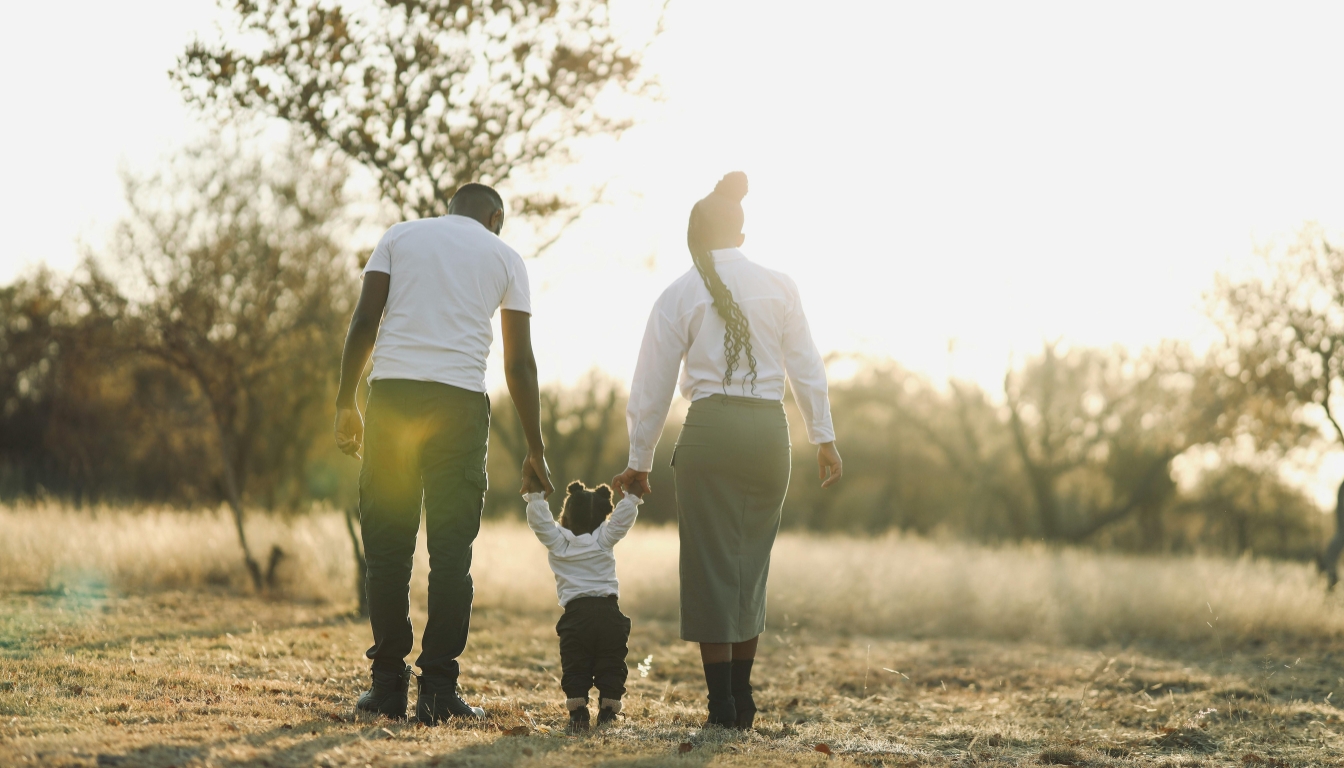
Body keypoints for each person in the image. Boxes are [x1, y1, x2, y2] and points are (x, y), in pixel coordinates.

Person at [613, 171, 842, 729]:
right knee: (749, 566)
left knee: (709, 567)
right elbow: (806, 366)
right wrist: (824, 437)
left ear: (694, 235)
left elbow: (651, 386)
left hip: (710, 432)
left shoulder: (678, 293)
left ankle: (721, 705)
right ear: (741, 235)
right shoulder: (780, 286)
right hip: (769, 434)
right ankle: (744, 699)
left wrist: (639, 460)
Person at [333, 182, 554, 725]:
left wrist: (345, 402)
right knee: (452, 556)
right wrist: (535, 448)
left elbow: (364, 322)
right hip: (459, 409)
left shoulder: (399, 236)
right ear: (495, 217)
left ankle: (386, 687)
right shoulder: (506, 257)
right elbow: (519, 363)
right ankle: (437, 692)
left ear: (450, 208)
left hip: (392, 401)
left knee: (387, 549)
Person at [524, 480, 642, 732]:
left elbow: (540, 523)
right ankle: (608, 711)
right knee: (612, 663)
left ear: (565, 516)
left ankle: (578, 714)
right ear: (602, 517)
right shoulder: (604, 539)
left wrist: (536, 496)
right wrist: (632, 497)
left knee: (575, 664)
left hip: (576, 616)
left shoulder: (559, 542)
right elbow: (622, 521)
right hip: (609, 613)